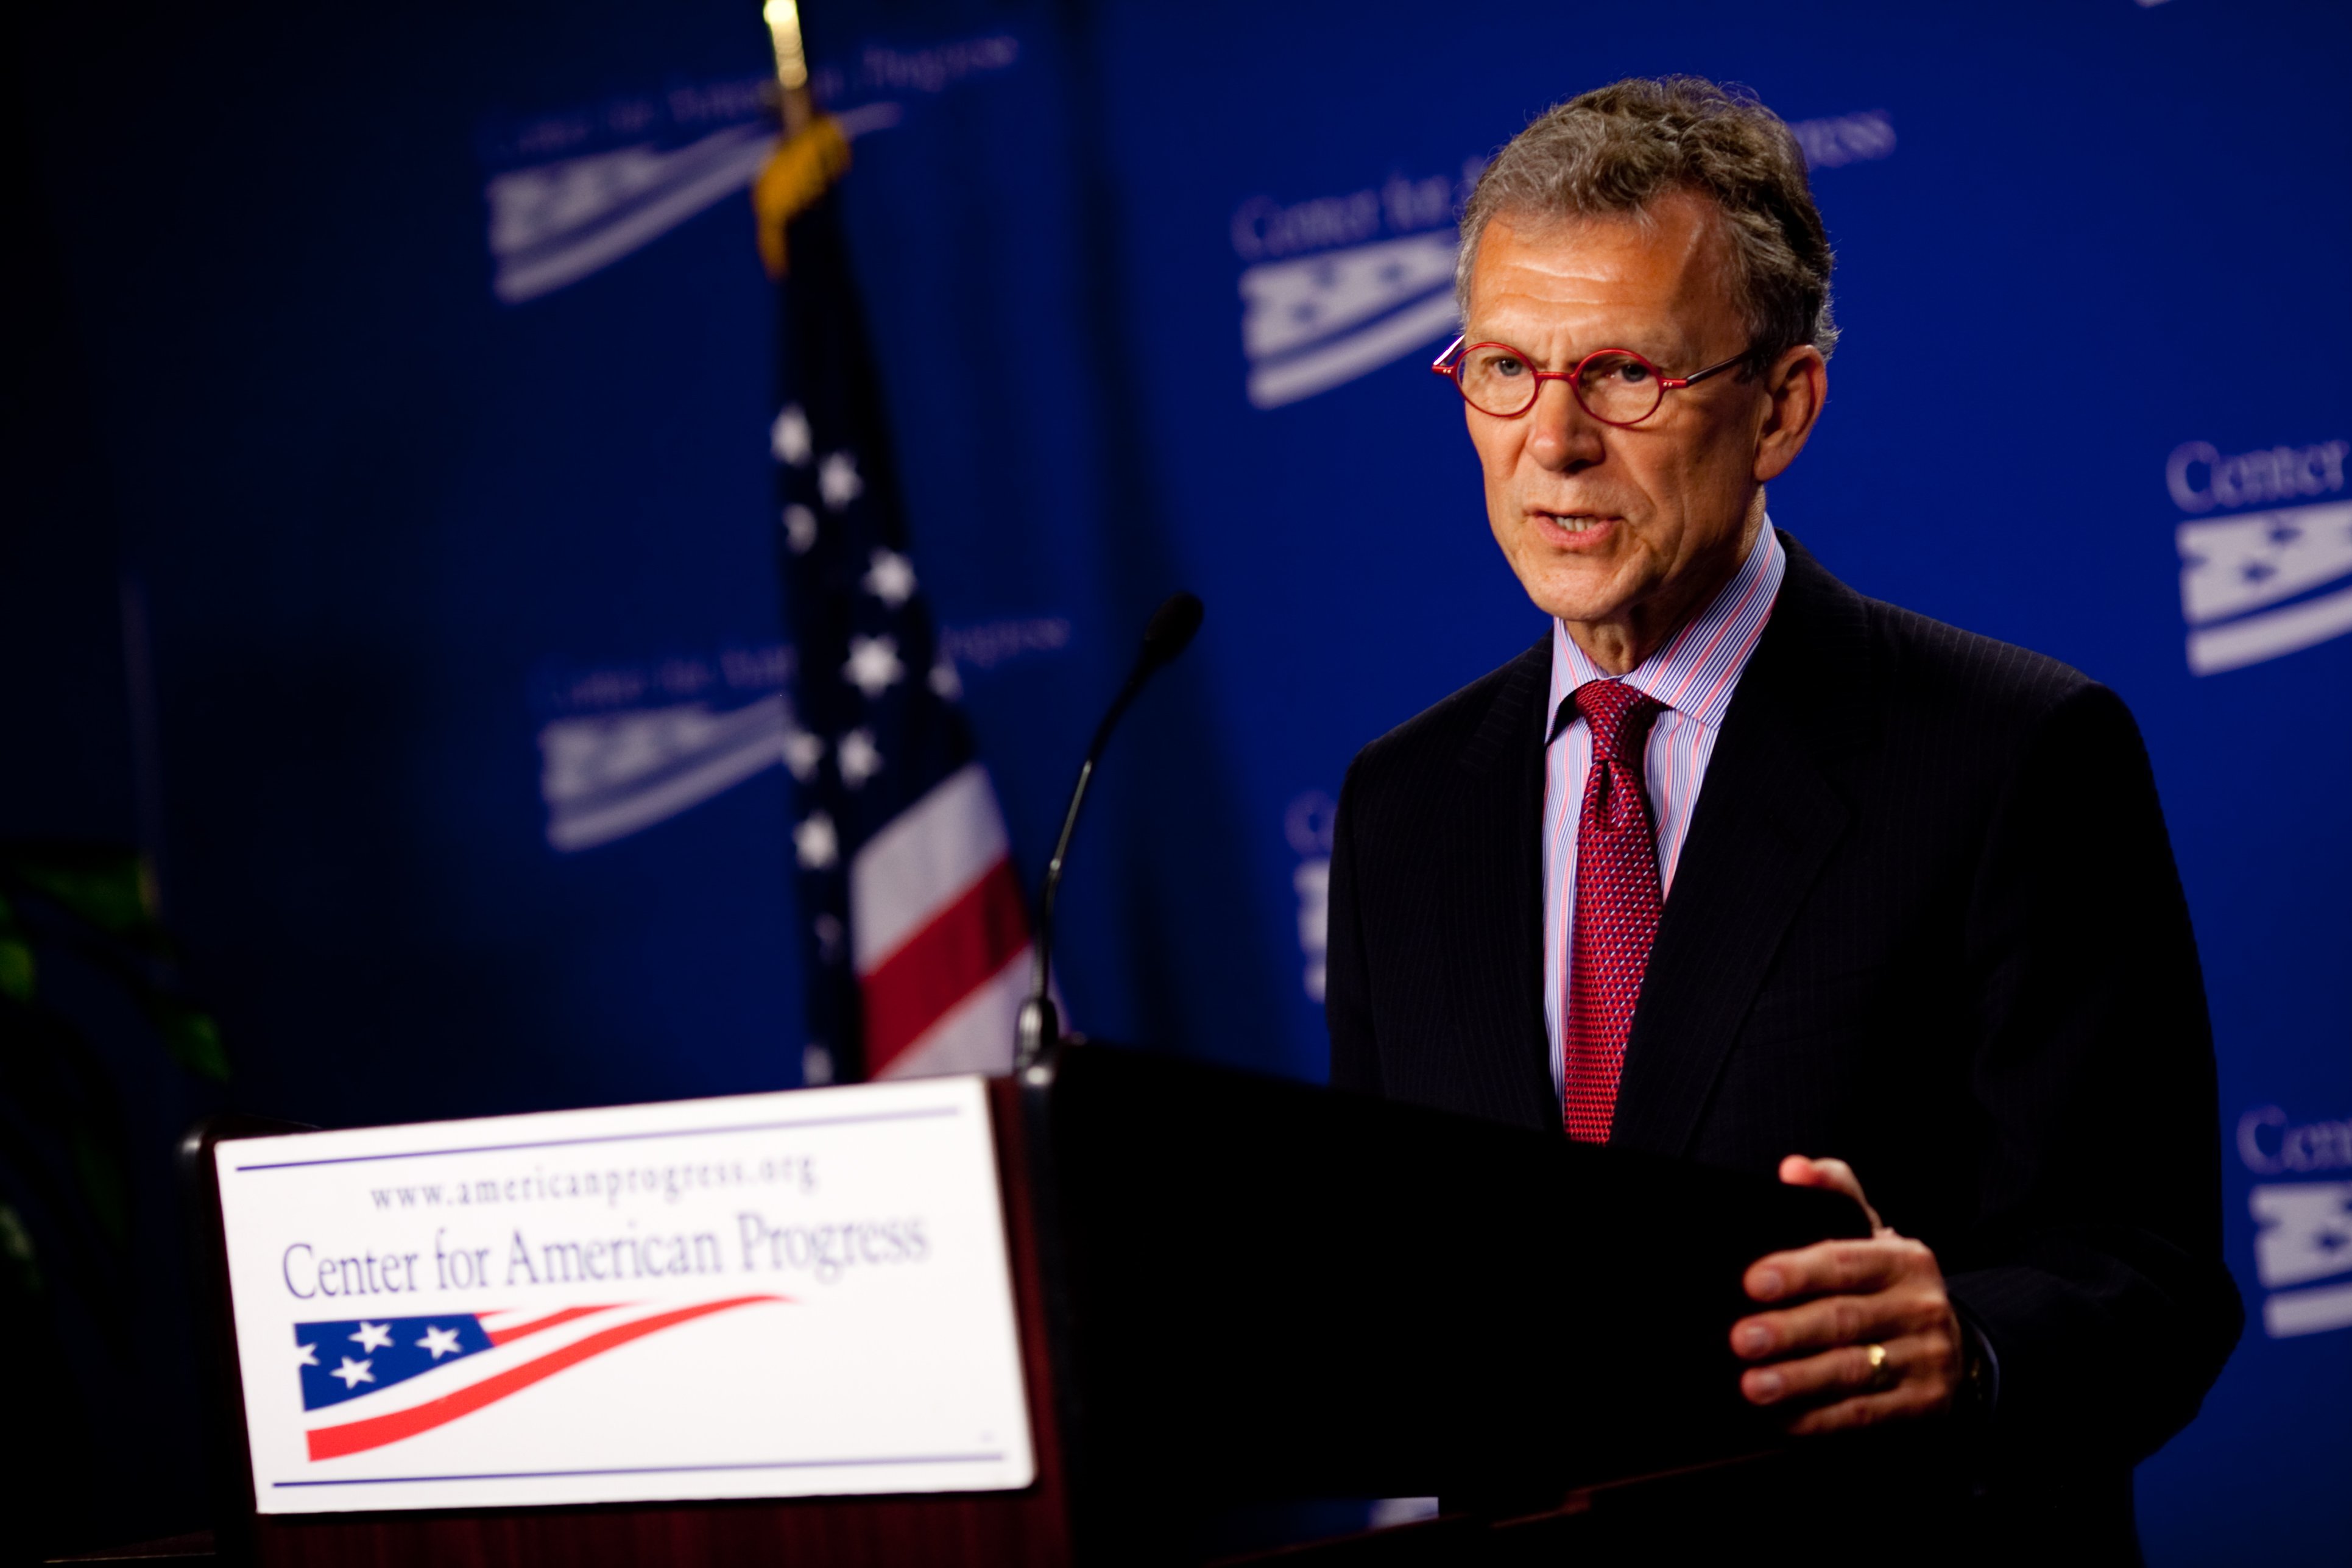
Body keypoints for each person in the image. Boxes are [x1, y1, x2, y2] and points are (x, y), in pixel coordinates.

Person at [1323, 76, 2241, 1556]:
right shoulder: (1401, 807)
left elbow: (2148, 1280)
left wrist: (1968, 1347)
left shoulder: (2012, 754)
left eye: (1623, 374)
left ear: (1780, 407)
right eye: (1502, 368)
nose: (1551, 442)